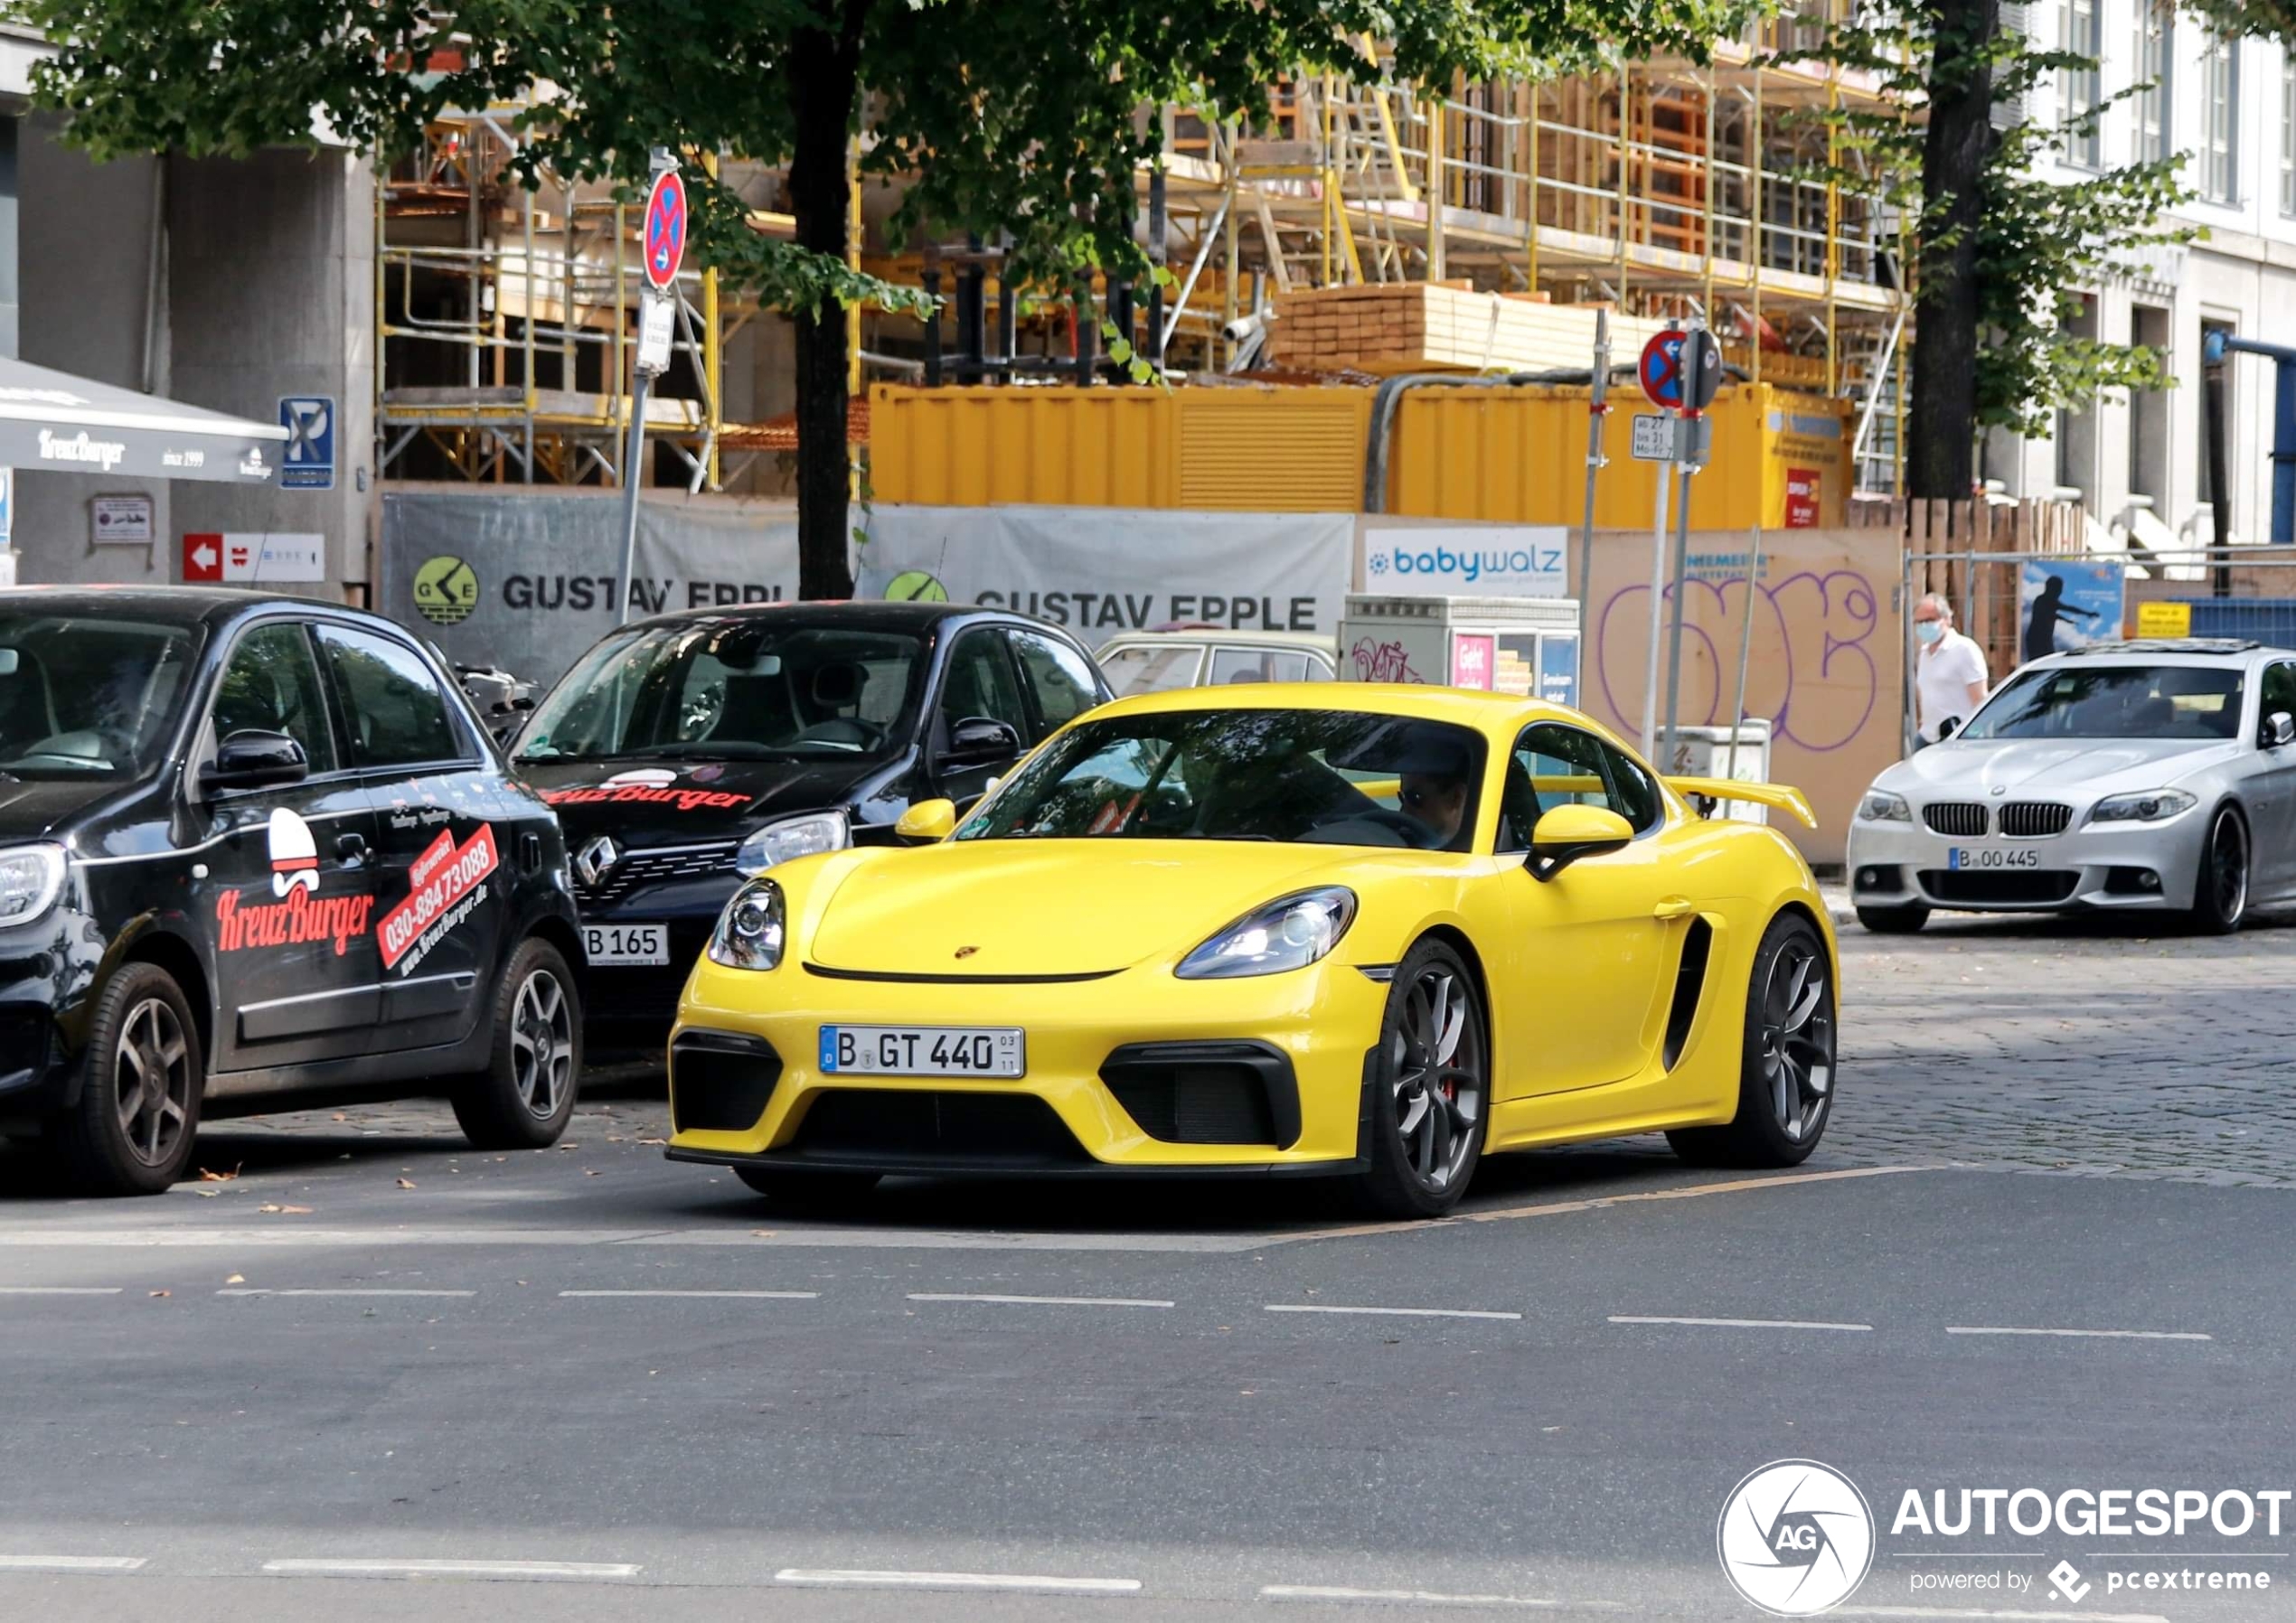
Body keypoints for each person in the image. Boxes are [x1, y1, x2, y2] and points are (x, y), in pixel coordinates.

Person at [1915, 594, 1989, 746]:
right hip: (1927, 737)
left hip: (1957, 740)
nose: (1924, 626)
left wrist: (1973, 735)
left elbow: (1980, 699)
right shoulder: (1924, 653)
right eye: (1919, 622)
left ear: (1947, 619)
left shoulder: (1965, 649)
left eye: (1929, 620)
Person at [2023, 573, 2101, 662]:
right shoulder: (2044, 600)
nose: (2060, 592)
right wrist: (2088, 613)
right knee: (2040, 662)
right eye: (2059, 589)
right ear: (2051, 588)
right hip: (2038, 639)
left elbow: (2051, 615)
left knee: (2047, 661)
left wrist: (2066, 620)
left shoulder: (2046, 601)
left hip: (2044, 638)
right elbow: (2068, 608)